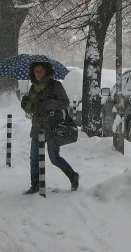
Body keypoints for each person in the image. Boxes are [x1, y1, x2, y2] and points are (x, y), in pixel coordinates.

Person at [21, 62, 79, 194]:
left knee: (54, 158)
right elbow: (30, 109)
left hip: (53, 126)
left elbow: (64, 102)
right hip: (37, 126)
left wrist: (48, 104)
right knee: (34, 157)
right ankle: (35, 185)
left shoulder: (55, 85)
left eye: (41, 70)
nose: (38, 73)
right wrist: (25, 104)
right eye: (36, 71)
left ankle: (73, 176)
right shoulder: (33, 87)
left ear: (46, 71)